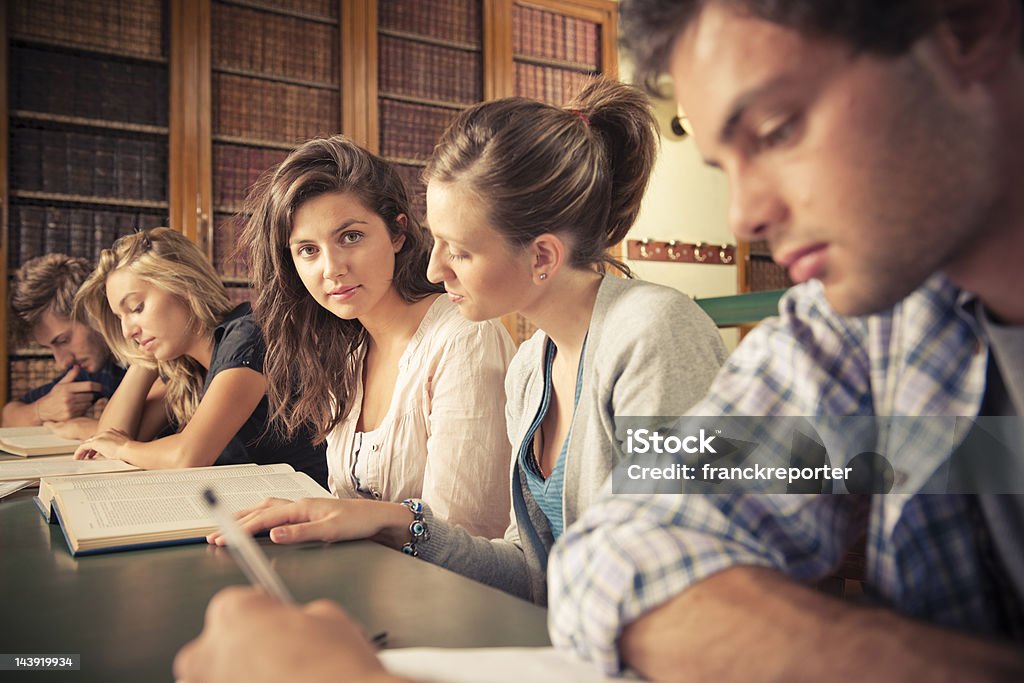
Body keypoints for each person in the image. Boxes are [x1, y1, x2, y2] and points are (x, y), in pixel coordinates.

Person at [542, 0, 1024, 680]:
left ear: (965, 26)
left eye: (777, 130)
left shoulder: (655, 323)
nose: (746, 217)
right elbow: (614, 547)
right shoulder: (862, 328)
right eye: (723, 167)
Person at [183, 77, 726, 679]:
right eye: (436, 243)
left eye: (459, 250)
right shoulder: (531, 369)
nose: (435, 268)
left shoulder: (653, 332)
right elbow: (529, 573)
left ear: (542, 257)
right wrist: (393, 520)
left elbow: (691, 594)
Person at [237, 135, 515, 538]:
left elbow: (466, 534)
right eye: (308, 250)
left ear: (397, 233)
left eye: (350, 237)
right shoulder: (349, 353)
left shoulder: (464, 340)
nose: (332, 269)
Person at [72, 227, 327, 486]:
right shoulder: (186, 366)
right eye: (120, 318)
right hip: (249, 508)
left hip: (302, 512)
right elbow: (109, 441)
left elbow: (188, 455)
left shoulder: (248, 335)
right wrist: (145, 359)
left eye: (136, 308)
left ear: (184, 286)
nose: (127, 331)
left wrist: (123, 448)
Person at [3, 254, 124, 438]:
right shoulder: (96, 369)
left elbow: (141, 434)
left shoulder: (151, 354)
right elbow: (8, 417)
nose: (61, 362)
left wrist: (85, 429)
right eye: (49, 348)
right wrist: (41, 411)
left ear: (93, 309)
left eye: (62, 341)